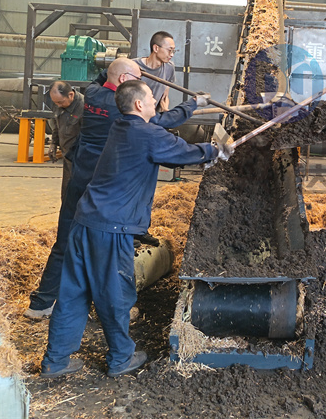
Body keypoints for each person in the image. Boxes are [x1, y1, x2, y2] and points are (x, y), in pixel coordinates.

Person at [40, 80, 230, 378]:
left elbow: (162, 124)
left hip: (84, 222)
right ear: (140, 104)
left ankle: (55, 360)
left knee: (73, 293)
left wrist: (193, 105)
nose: (156, 101)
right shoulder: (147, 134)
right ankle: (120, 358)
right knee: (115, 293)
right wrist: (216, 150)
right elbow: (184, 152)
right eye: (152, 97)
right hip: (111, 229)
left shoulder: (121, 125)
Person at [26, 58, 207, 319]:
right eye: (137, 79)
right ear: (123, 80)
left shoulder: (92, 93)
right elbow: (161, 120)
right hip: (104, 188)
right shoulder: (121, 109)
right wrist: (193, 104)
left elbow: (104, 76)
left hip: (79, 178)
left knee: (65, 242)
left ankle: (41, 303)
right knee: (111, 248)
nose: (141, 83)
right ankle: (113, 309)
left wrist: (127, 68)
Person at [48, 81, 84, 201]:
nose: (58, 105)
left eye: (60, 102)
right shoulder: (58, 102)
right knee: (67, 194)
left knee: (78, 194)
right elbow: (57, 124)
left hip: (80, 159)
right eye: (55, 102)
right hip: (68, 157)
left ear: (71, 95)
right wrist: (54, 143)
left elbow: (89, 136)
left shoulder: (84, 107)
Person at [134, 31, 176, 112]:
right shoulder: (133, 66)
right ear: (156, 48)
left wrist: (164, 110)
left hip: (152, 115)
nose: (171, 55)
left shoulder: (169, 67)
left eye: (173, 51)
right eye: (169, 50)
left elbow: (164, 96)